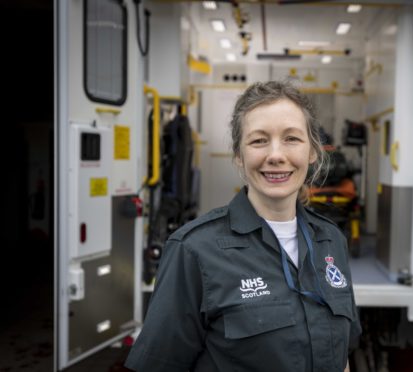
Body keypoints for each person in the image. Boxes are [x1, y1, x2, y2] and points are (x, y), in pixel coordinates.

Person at [125, 80, 361, 372]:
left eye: (292, 139)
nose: (276, 155)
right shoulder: (194, 250)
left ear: (312, 151)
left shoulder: (331, 240)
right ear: (239, 155)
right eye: (259, 140)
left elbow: (343, 358)